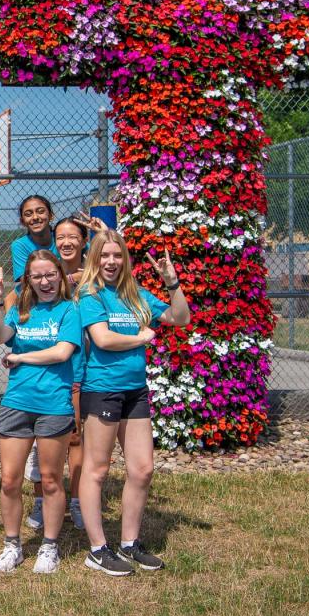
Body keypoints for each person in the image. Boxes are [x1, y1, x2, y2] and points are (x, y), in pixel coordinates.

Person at [76, 232, 190, 576]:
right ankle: (97, 550)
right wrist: (140, 337)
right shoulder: (90, 294)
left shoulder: (136, 295)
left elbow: (179, 317)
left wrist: (172, 283)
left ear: (124, 259)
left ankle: (130, 543)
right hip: (102, 390)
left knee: (142, 469)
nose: (111, 262)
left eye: (117, 255)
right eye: (104, 255)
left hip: (135, 391)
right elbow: (103, 339)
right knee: (96, 470)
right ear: (94, 259)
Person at [0, 251, 83, 574]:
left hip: (54, 405)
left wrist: (22, 358)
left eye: (50, 275)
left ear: (60, 275)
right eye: (37, 276)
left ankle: (49, 546)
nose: (45, 282)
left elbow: (62, 352)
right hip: (17, 403)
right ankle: (12, 544)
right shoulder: (21, 311)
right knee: (10, 480)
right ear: (28, 280)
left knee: (52, 480)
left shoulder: (69, 310)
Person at [23, 214, 102, 532]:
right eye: (61, 237)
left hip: (79, 369)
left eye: (73, 236)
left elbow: (120, 268)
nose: (66, 242)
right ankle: (42, 501)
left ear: (84, 242)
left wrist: (105, 234)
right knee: (41, 439)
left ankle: (78, 501)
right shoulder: (46, 276)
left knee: (75, 437)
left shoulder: (94, 278)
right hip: (46, 373)